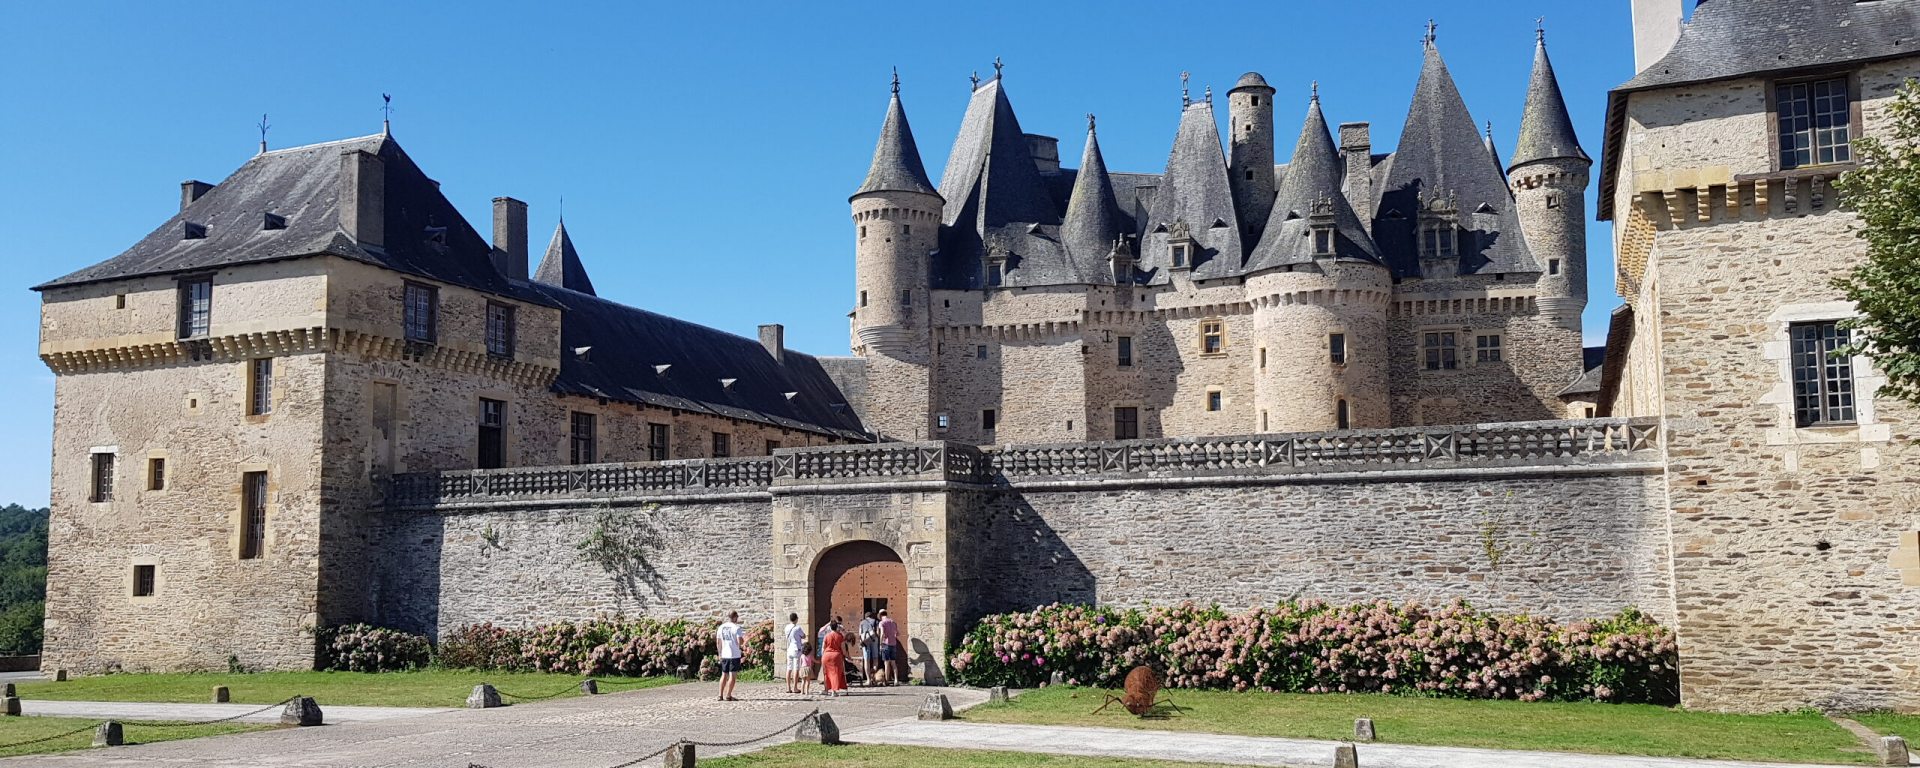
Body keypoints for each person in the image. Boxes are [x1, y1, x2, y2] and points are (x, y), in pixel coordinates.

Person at [716, 611, 746, 702]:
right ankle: (728, 695)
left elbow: (718, 642)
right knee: (732, 675)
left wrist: (720, 653)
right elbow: (740, 641)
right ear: (735, 617)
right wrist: (744, 641)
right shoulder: (736, 628)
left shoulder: (721, 627)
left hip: (724, 654)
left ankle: (720, 695)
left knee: (724, 674)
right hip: (734, 654)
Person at [820, 617, 849, 697]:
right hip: (836, 656)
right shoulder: (840, 636)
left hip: (826, 656)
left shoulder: (826, 636)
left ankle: (826, 689)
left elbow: (823, 647)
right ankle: (833, 691)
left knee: (827, 674)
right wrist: (847, 656)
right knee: (835, 673)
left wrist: (822, 656)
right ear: (837, 627)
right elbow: (843, 648)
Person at [878, 608, 904, 685]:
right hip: (893, 644)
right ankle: (896, 680)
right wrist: (892, 635)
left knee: (886, 663)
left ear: (880, 615)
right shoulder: (893, 622)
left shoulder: (882, 623)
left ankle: (886, 681)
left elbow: (882, 633)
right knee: (893, 663)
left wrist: (880, 643)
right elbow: (897, 633)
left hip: (886, 644)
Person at [782, 612, 806, 694]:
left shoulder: (787, 627)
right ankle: (795, 687)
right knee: (796, 668)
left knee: (789, 668)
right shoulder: (797, 628)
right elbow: (803, 636)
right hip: (796, 649)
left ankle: (788, 687)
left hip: (789, 649)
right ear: (796, 619)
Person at [857, 609, 880, 686]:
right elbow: (877, 632)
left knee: (866, 660)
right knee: (875, 658)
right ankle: (873, 678)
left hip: (865, 641)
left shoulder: (862, 622)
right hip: (874, 640)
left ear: (865, 616)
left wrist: (861, 643)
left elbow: (860, 634)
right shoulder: (876, 621)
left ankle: (868, 680)